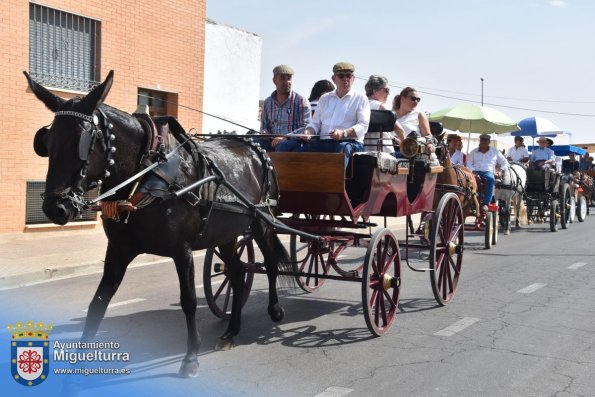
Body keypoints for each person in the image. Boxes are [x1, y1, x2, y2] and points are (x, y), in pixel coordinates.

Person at [300, 62, 370, 168]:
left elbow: (363, 127)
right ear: (334, 79)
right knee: (290, 146)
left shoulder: (361, 98)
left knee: (342, 148)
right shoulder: (324, 98)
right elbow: (314, 124)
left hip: (350, 142)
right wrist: (308, 132)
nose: (345, 79)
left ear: (353, 78)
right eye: (341, 76)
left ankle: (335, 183)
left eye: (349, 76)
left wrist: (343, 133)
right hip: (324, 142)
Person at [259, 64, 311, 152]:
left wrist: (285, 137)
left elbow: (306, 127)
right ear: (274, 81)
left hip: (293, 142)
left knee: (282, 146)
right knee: (252, 144)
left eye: (289, 78)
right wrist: (264, 132)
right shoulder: (268, 102)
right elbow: (264, 126)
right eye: (282, 78)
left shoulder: (300, 100)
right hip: (272, 141)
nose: (287, 82)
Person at [467, 133, 509, 213]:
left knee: (490, 179)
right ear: (480, 141)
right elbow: (468, 163)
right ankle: (470, 199)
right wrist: (474, 171)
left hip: (488, 172)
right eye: (482, 140)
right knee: (467, 180)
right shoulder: (473, 152)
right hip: (475, 171)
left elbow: (505, 162)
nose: (483, 142)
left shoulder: (495, 152)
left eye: (485, 141)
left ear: (489, 142)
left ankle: (486, 203)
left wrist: (501, 171)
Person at [364, 75, 398, 153]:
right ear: (375, 91)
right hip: (384, 151)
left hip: (363, 151)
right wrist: (404, 142)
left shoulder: (359, 105)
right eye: (386, 90)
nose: (388, 94)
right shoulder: (381, 106)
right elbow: (398, 128)